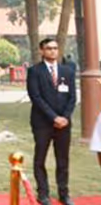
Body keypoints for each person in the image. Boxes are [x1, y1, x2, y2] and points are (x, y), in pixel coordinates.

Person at [27, 37, 75, 205]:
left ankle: (64, 194)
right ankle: (43, 194)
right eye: (49, 48)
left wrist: (64, 118)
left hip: (64, 124)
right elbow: (36, 97)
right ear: (42, 51)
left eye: (55, 48)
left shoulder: (67, 71)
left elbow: (72, 97)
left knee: (63, 160)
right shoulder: (34, 71)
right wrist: (54, 117)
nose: (53, 51)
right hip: (42, 123)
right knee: (40, 159)